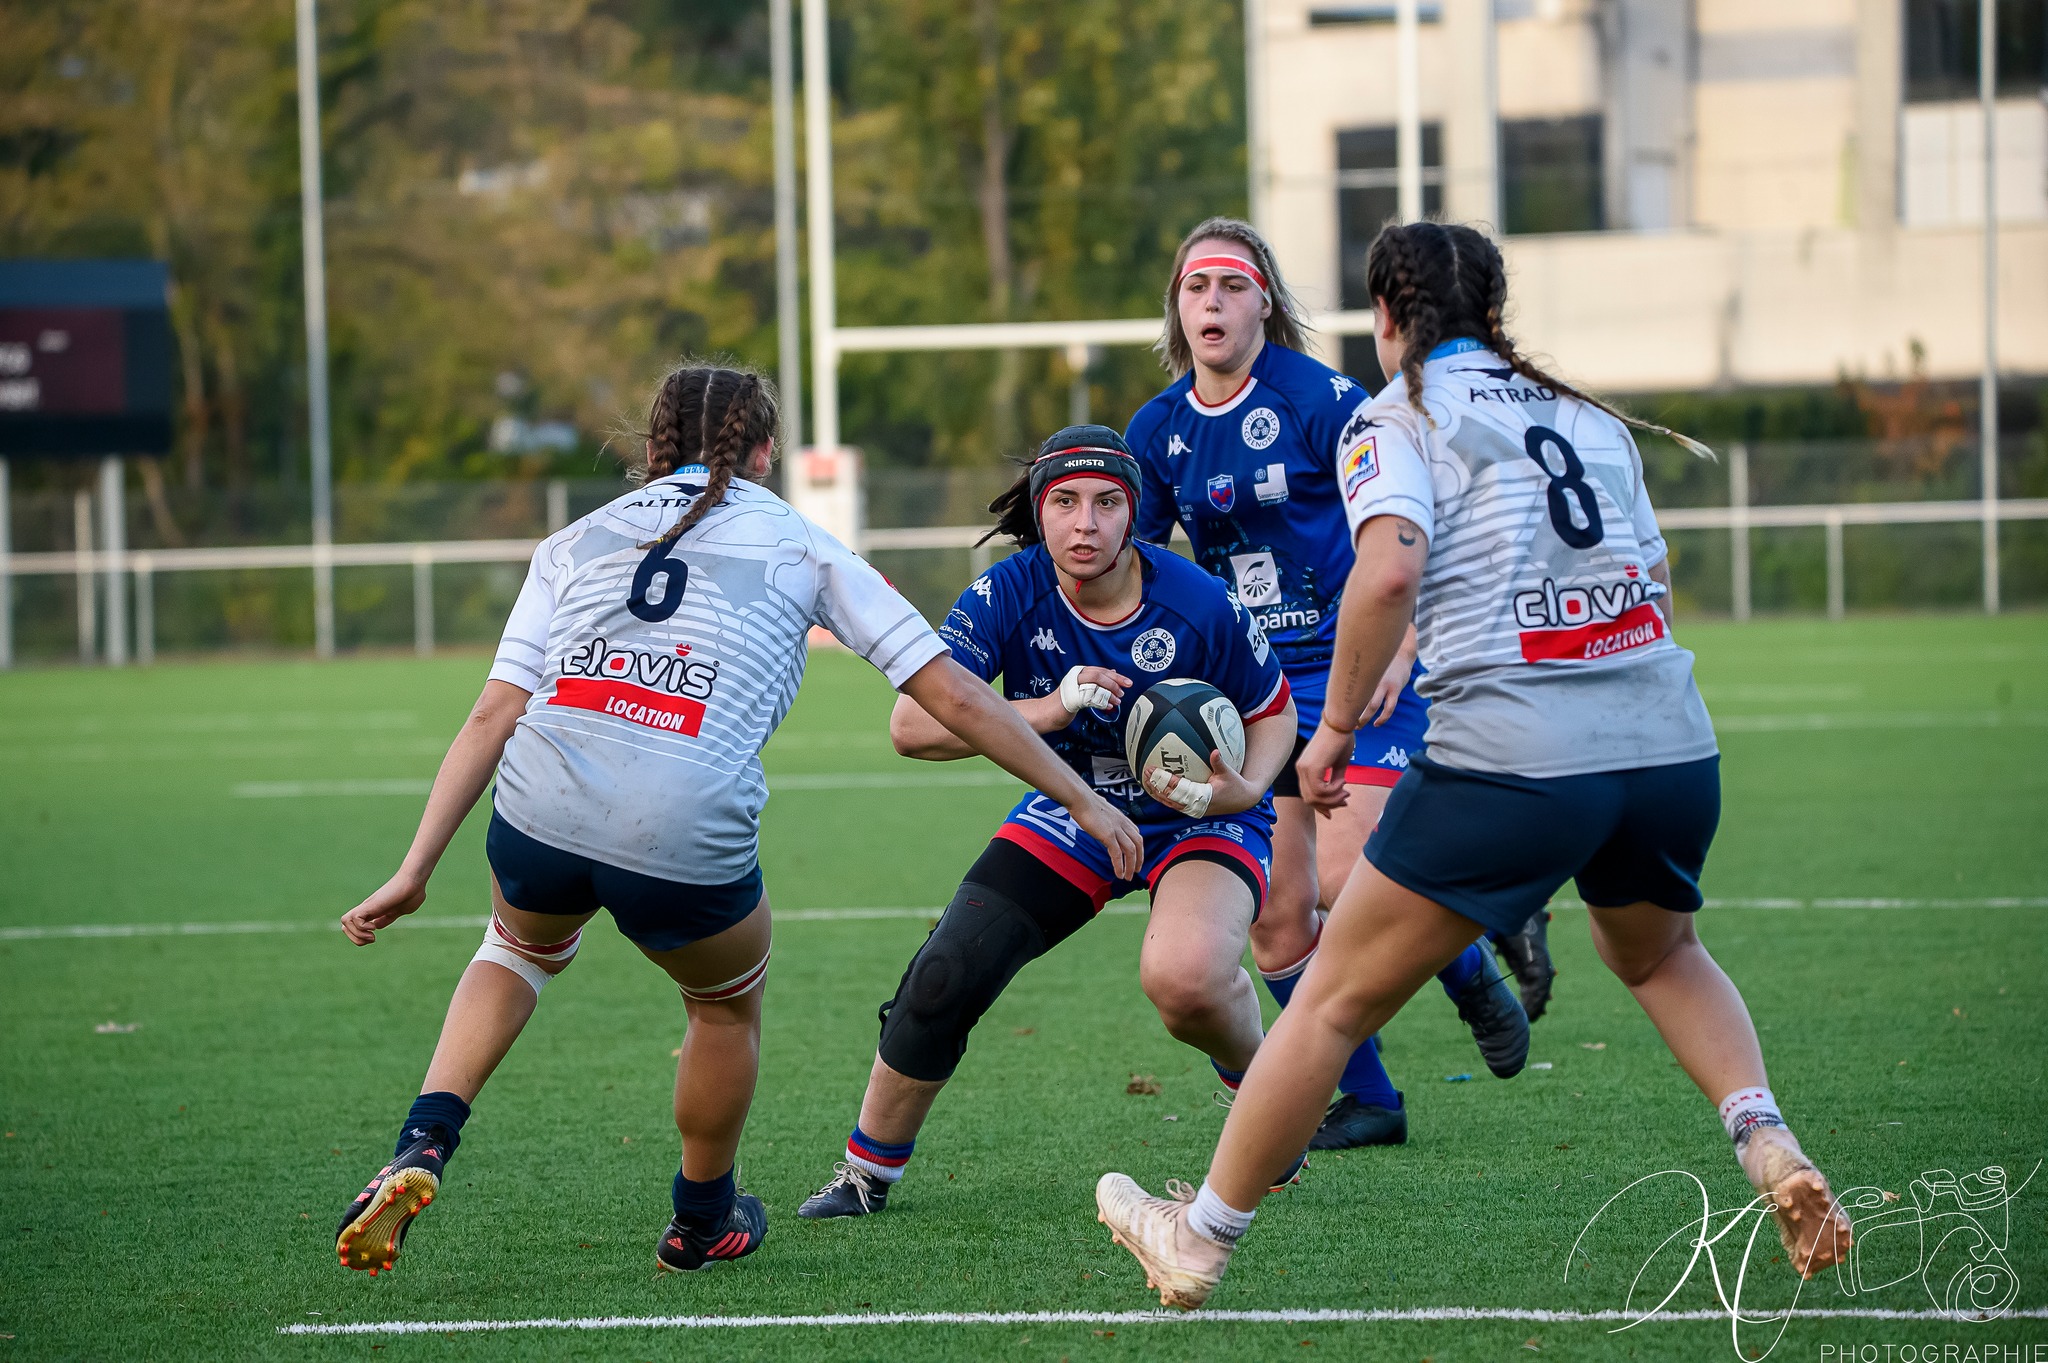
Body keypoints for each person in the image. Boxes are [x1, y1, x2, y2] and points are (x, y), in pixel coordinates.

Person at [1096, 221, 1853, 1308]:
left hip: (1517, 756)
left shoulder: (1390, 415)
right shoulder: (1588, 415)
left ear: (1385, 320)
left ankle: (1199, 1235)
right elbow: (1651, 573)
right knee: (1655, 954)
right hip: (1669, 741)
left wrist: (1334, 730)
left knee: (1326, 1003)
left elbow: (1388, 569)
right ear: (1495, 312)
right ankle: (1764, 1136)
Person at [330, 365, 1141, 1277]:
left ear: (649, 450)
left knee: (514, 949)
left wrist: (413, 868)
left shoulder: (572, 539)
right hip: (680, 823)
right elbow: (951, 696)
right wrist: (1081, 795)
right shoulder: (803, 545)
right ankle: (701, 1217)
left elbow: (492, 714)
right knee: (722, 1007)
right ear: (764, 453)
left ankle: (423, 1141)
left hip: (538, 806)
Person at [795, 426, 1303, 1220]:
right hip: (1072, 804)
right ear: (1041, 510)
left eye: (1106, 503)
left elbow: (1273, 711)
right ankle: (866, 1174)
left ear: (1133, 513)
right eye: (1064, 501)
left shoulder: (1198, 599)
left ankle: (1271, 1100)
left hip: (1196, 817)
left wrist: (1244, 791)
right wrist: (1052, 706)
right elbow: (912, 726)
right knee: (943, 975)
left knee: (1187, 983)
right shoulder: (1006, 593)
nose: (1085, 522)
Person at [1123, 216, 1534, 1152]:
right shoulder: (1158, 430)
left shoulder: (1325, 399)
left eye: (1232, 286)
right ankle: (1368, 1097)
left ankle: (1468, 969)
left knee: (1351, 873)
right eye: (1197, 289)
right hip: (1249, 690)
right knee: (1277, 916)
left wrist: (1402, 644)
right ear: (1176, 310)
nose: (1213, 303)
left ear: (1265, 299)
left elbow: (1404, 523)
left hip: (1358, 663)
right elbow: (1142, 573)